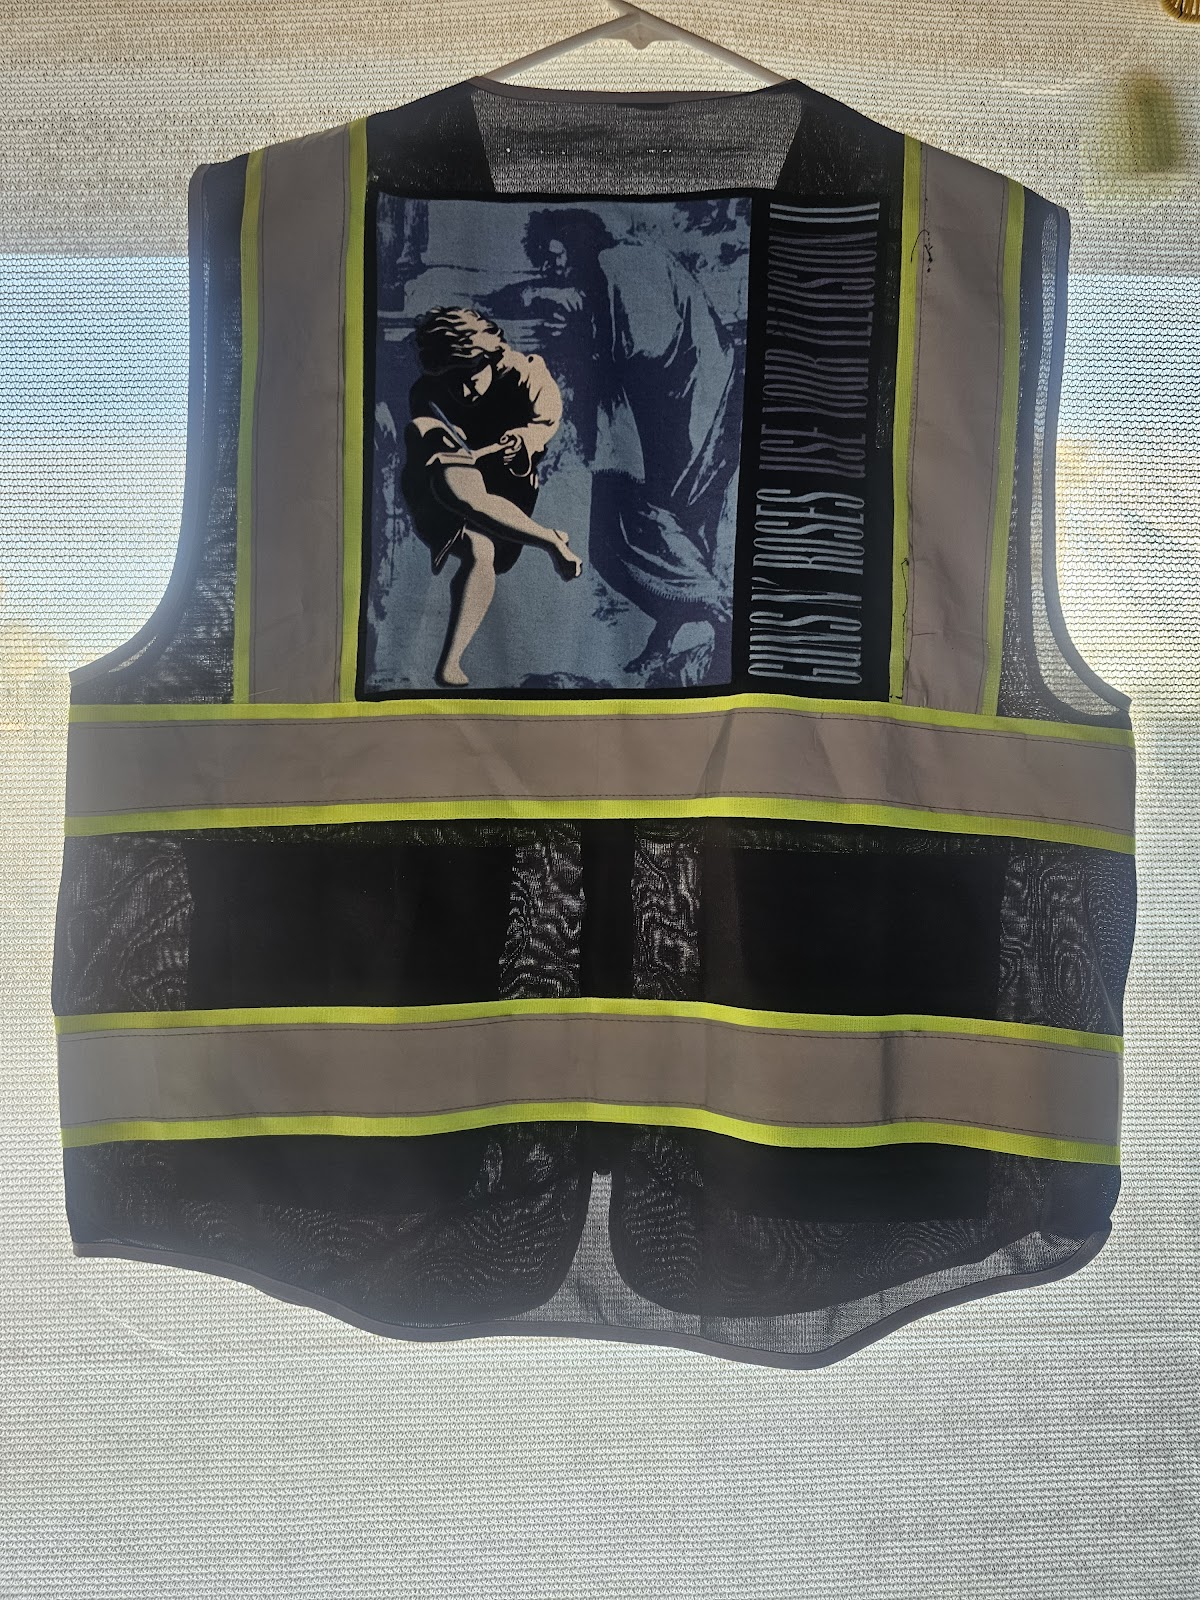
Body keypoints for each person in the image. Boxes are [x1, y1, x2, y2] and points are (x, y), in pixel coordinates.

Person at [399, 306, 584, 687]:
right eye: (453, 380)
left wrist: (526, 439)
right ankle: (451, 664)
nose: (464, 391)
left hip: (508, 487)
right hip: (439, 492)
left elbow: (547, 419)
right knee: (472, 532)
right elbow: (444, 460)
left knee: (488, 550)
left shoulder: (526, 373)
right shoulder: (426, 395)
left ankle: (544, 537)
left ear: (490, 357)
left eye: (471, 377)